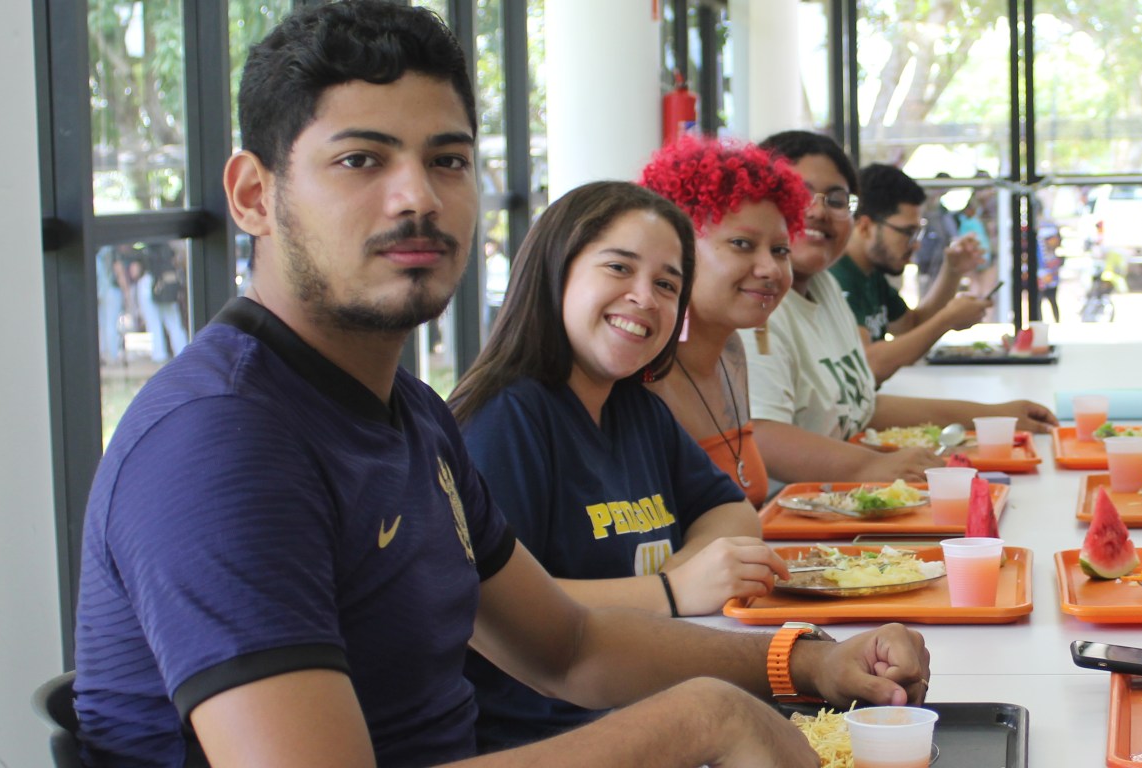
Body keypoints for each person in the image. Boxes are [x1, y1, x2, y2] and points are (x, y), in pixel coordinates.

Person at [70, 5, 928, 765]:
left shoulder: (408, 414)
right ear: (254, 196)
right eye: (361, 159)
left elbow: (569, 647)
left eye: (447, 160)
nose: (417, 197)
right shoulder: (222, 442)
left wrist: (807, 660)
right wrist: (703, 721)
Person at [446, 180, 803, 750]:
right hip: (546, 738)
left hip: (651, 698)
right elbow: (504, 610)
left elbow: (732, 512)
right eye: (619, 268)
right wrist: (670, 591)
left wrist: (687, 574)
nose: (646, 298)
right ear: (556, 270)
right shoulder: (505, 419)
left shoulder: (635, 408)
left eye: (667, 284)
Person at [744, 130, 1056, 486]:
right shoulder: (756, 307)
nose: (817, 211)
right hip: (789, 509)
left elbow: (862, 406)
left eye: (836, 200)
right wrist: (871, 466)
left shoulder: (823, 286)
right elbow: (762, 436)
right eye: (799, 194)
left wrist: (990, 415)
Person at [635, 138, 807, 509]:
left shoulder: (731, 352)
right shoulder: (638, 373)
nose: (771, 269)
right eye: (742, 244)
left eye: (780, 250)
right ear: (675, 249)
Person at [829, 163, 990, 382]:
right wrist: (947, 320)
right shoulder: (837, 277)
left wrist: (953, 270)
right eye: (908, 232)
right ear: (865, 227)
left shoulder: (870, 273)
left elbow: (911, 327)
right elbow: (868, 365)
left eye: (918, 233)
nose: (916, 245)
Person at [1037, 222, 1063, 322]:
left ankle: (1057, 321)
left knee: (1052, 301)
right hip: (1043, 279)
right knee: (1039, 302)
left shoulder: (1052, 252)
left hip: (1051, 280)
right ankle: (1040, 321)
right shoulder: (1040, 251)